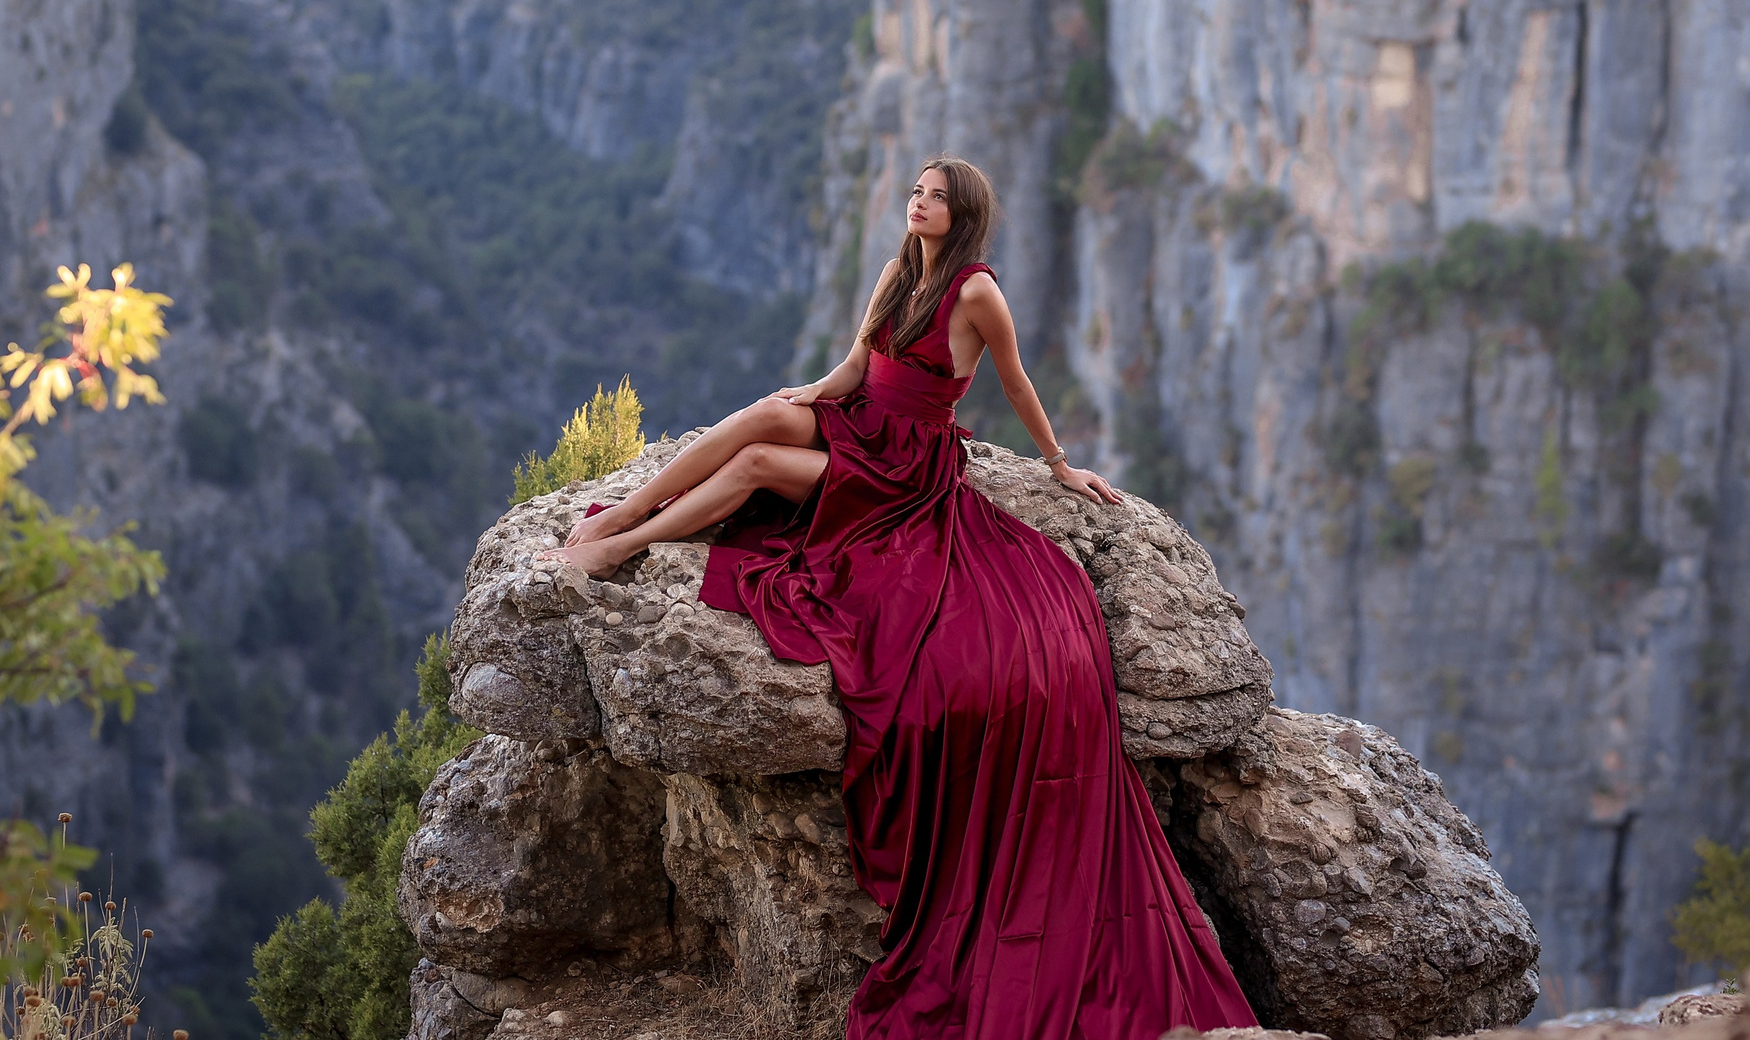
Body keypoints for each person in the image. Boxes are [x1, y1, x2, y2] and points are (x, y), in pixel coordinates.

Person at [538, 157, 1258, 1039]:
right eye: (915, 190)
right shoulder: (897, 270)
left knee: (761, 465)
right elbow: (852, 369)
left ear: (962, 216)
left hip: (904, 472)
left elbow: (1017, 383)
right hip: (861, 425)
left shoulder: (977, 292)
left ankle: (624, 544)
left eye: (933, 197)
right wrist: (805, 396)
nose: (916, 202)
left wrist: (1061, 463)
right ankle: (626, 508)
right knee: (761, 421)